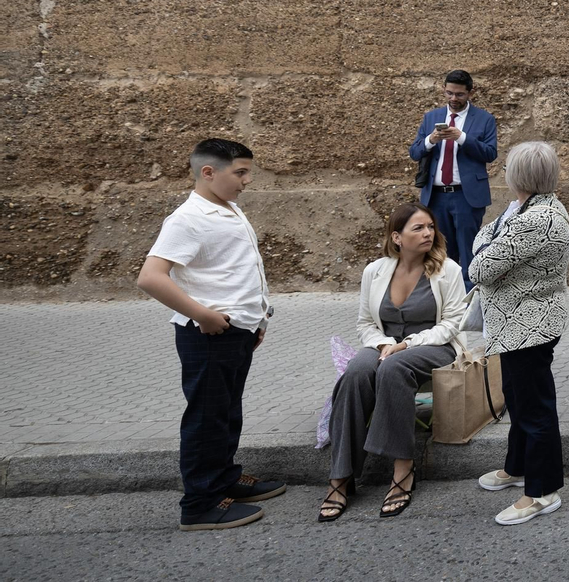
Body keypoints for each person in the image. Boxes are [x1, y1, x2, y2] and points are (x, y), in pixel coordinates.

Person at [136, 138, 283, 531]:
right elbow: (150, 277)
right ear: (208, 172)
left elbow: (234, 271)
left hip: (237, 331)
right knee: (205, 418)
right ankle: (200, 504)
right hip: (209, 334)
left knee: (226, 411)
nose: (247, 180)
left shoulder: (229, 209)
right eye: (240, 172)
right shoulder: (188, 218)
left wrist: (257, 320)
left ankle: (225, 480)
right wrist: (203, 315)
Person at [319, 204, 469, 522]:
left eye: (430, 226)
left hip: (434, 346)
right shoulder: (375, 271)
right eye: (418, 228)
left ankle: (403, 469)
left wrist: (406, 345)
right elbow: (365, 324)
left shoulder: (449, 270)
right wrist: (385, 343)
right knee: (355, 373)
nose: (428, 232)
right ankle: (341, 476)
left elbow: (453, 324)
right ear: (397, 237)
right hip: (386, 345)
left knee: (393, 368)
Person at [469, 142, 569, 525]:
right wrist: (497, 227)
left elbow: (479, 267)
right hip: (518, 325)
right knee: (518, 397)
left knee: (534, 409)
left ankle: (543, 491)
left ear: (518, 176)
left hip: (528, 326)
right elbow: (486, 244)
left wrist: (492, 232)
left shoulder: (534, 219)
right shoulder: (532, 209)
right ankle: (517, 467)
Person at [408, 69, 499, 286]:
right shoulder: (431, 118)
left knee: (469, 252)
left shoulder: (484, 119)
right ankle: (444, 300)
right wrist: (431, 139)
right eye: (449, 93)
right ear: (444, 90)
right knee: (441, 253)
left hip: (466, 197)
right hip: (436, 197)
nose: (453, 99)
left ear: (470, 93)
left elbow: (490, 153)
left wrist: (462, 137)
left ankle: (468, 305)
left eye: (459, 94)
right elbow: (414, 152)